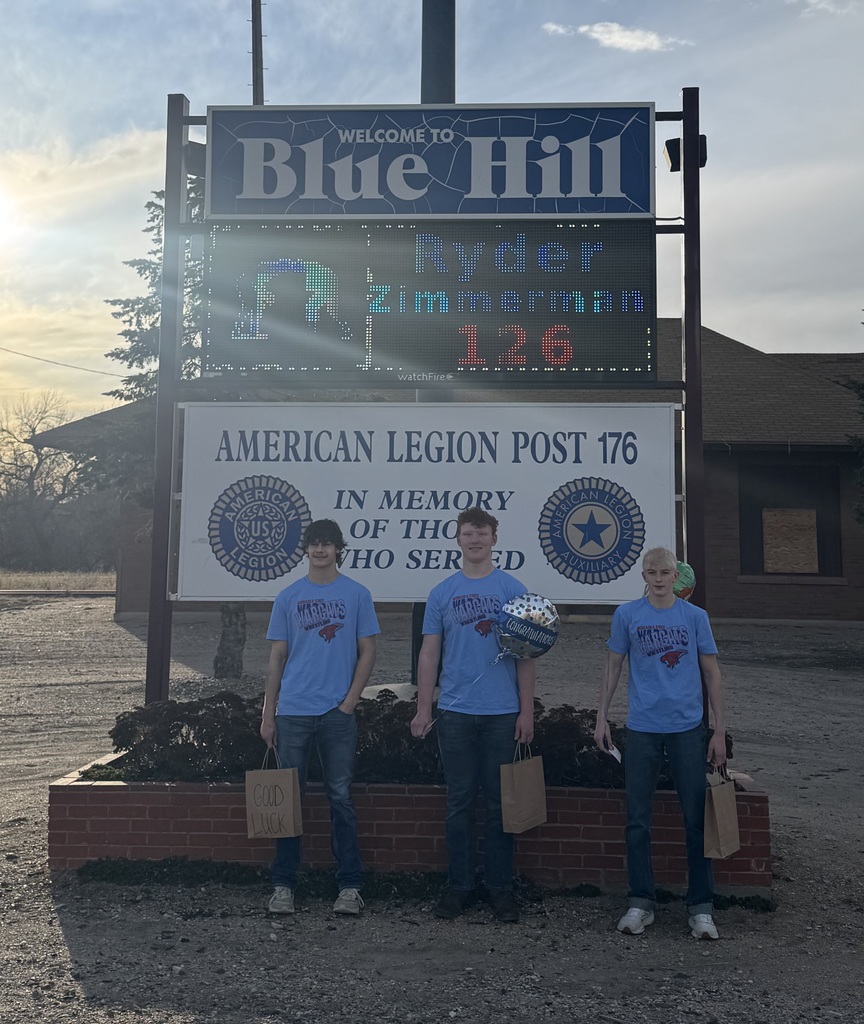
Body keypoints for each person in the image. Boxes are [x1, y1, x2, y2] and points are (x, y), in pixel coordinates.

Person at [593, 546, 728, 940]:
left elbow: (712, 673)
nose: (657, 577)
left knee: (695, 818)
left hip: (687, 728)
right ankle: (641, 901)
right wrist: (601, 715)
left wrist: (718, 730)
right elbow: (613, 665)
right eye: (651, 571)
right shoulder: (627, 615)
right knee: (637, 819)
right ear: (644, 575)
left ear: (676, 576)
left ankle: (701, 906)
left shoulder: (695, 617)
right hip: (642, 728)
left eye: (664, 571)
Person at [410, 508, 536, 923]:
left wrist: (526, 712)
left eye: (482, 533)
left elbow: (527, 655)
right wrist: (424, 707)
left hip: (502, 713)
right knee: (459, 802)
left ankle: (500, 888)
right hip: (456, 713)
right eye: (468, 533)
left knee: (501, 805)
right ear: (458, 539)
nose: (475, 540)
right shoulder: (441, 592)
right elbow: (429, 654)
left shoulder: (513, 590)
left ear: (494, 538)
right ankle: (460, 886)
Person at [260, 519, 379, 916]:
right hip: (292, 711)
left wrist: (349, 702)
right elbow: (276, 657)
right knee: (288, 802)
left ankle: (349, 886)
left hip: (336, 714)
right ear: (305, 549)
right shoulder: (288, 597)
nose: (320, 550)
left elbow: (368, 652)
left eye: (328, 544)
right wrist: (269, 713)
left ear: (338, 549)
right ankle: (283, 885)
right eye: (314, 544)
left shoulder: (357, 594)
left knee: (341, 798)